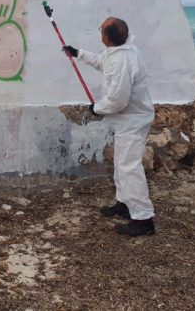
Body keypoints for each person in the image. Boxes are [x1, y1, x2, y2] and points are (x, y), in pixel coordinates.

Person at [63, 17, 156, 237]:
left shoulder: (124, 60)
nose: (100, 33)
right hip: (126, 120)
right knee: (122, 164)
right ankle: (124, 204)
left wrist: (97, 108)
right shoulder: (118, 52)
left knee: (129, 168)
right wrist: (78, 53)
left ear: (106, 37)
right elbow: (100, 62)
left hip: (133, 120)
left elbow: (118, 100)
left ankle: (143, 219)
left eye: (101, 30)